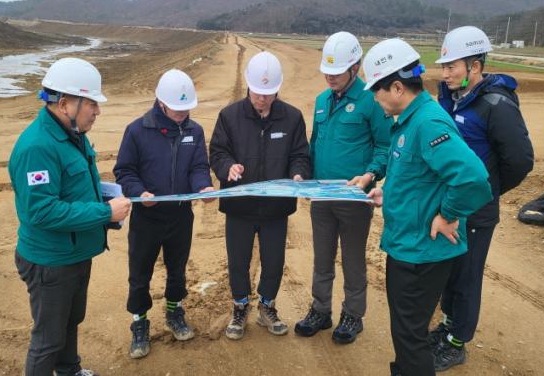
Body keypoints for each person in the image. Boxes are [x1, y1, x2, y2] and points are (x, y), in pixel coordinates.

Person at [362, 39, 492, 376]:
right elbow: (420, 177)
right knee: (407, 332)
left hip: (421, 253)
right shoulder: (409, 120)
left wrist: (448, 214)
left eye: (376, 90)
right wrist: (388, 195)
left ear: (396, 87)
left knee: (410, 338)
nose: (374, 99)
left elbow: (473, 178)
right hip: (409, 245)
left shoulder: (427, 123)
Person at [9, 57, 132, 376]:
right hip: (51, 262)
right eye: (92, 103)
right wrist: (104, 211)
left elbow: (74, 189)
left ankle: (69, 371)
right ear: (64, 103)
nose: (97, 111)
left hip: (75, 253)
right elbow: (41, 210)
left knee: (70, 321)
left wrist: (105, 205)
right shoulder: (37, 147)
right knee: (47, 340)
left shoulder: (72, 134)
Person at [429, 26, 534, 371]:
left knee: (467, 277)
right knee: (450, 272)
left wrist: (487, 191)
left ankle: (456, 343)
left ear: (474, 66)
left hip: (476, 210)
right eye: (444, 67)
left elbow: (519, 161)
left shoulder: (496, 105)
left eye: (451, 67)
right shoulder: (453, 97)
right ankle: (447, 326)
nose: (445, 74)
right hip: (451, 205)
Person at [294, 31, 391, 344]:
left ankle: (353, 314)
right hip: (322, 196)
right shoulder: (322, 101)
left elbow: (385, 146)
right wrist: (304, 175)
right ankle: (320, 310)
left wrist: (371, 174)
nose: (330, 76)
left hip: (353, 197)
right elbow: (314, 144)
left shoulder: (372, 100)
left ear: (355, 67)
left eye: (337, 71)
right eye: (327, 70)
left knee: (352, 259)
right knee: (322, 258)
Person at [209, 51, 311, 340]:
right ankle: (240, 307)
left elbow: (300, 155)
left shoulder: (292, 118)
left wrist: (298, 174)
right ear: (248, 85)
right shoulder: (229, 116)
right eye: (257, 93)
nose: (262, 99)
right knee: (238, 261)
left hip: (276, 208)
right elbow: (217, 152)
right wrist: (228, 167)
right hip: (239, 207)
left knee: (274, 261)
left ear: (277, 89)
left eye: (268, 94)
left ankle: (267, 306)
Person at [113, 69, 214, 359]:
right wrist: (139, 192)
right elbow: (124, 171)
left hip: (181, 216)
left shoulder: (194, 131)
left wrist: (203, 186)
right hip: (147, 217)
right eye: (177, 109)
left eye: (187, 109)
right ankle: (139, 322)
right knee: (140, 272)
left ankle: (174, 311)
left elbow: (198, 166)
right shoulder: (137, 130)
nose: (183, 114)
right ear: (161, 103)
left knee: (177, 268)